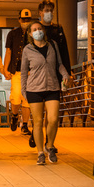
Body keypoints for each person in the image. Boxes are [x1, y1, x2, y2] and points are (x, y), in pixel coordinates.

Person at [20, 21, 71, 165]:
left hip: (52, 87)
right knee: (37, 122)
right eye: (34, 30)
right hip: (34, 89)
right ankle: (40, 153)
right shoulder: (27, 50)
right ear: (30, 34)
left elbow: (59, 64)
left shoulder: (52, 45)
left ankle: (50, 146)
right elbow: (24, 72)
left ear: (43, 30)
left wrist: (66, 75)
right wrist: (24, 91)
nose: (38, 31)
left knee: (53, 119)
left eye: (39, 28)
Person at [4, 9, 32, 136]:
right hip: (16, 71)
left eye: (28, 20)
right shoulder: (12, 34)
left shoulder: (34, 33)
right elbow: (9, 52)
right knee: (15, 97)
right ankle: (15, 116)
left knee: (27, 99)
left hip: (31, 72)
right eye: (23, 20)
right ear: (19, 19)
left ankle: (25, 125)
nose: (25, 22)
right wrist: (5, 69)